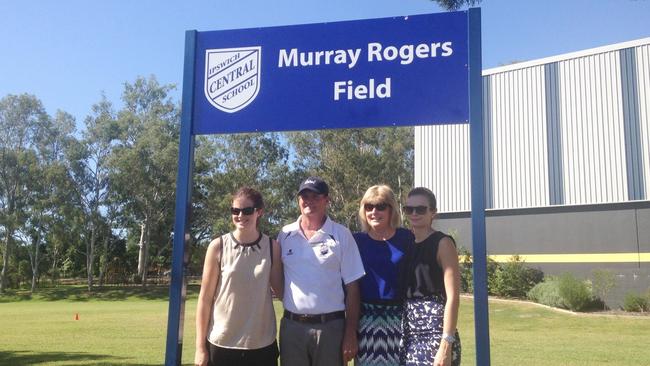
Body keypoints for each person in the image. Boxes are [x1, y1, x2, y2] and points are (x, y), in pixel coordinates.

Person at [278, 176, 366, 366]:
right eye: (305, 196)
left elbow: (353, 289)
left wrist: (350, 333)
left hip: (331, 328)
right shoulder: (285, 234)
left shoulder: (342, 234)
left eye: (316, 196)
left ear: (327, 200)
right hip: (292, 328)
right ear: (298, 201)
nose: (309, 201)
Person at [194, 187, 282, 366]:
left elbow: (283, 291)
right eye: (235, 210)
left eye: (247, 210)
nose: (240, 216)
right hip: (222, 344)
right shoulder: (217, 246)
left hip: (262, 345)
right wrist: (200, 348)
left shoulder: (272, 248)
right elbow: (204, 299)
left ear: (259, 212)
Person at [399, 187, 461, 366]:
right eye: (409, 209)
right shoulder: (407, 244)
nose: (414, 213)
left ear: (433, 212)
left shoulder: (443, 243)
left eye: (421, 209)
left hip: (435, 333)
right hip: (409, 334)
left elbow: (453, 298)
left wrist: (446, 345)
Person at [353, 185, 413, 366]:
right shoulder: (356, 241)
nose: (374, 212)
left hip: (400, 320)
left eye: (380, 206)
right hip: (365, 322)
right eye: (369, 206)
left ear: (391, 209)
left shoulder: (407, 238)